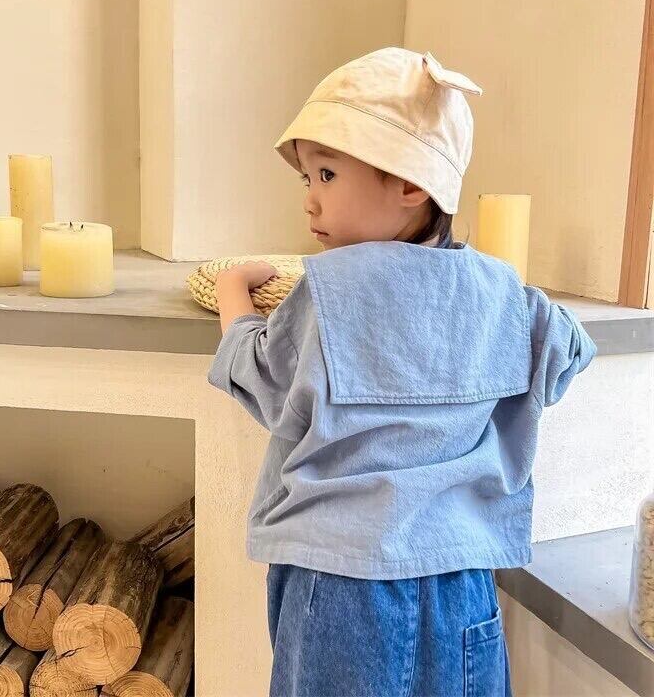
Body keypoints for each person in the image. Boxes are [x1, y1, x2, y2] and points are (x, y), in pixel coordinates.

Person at [206, 47, 597, 697]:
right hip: (463, 582)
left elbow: (266, 384)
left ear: (412, 185)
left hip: (341, 584)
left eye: (326, 174)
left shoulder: (328, 292)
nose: (310, 201)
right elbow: (568, 352)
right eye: (307, 180)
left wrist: (232, 294)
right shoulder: (502, 291)